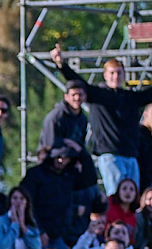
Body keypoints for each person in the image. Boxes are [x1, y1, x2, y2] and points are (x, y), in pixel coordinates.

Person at [51, 44, 152, 195]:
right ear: (105, 75)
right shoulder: (98, 95)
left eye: (119, 73)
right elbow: (78, 83)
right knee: (116, 197)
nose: (115, 77)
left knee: (132, 201)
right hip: (110, 155)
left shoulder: (131, 98)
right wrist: (61, 64)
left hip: (131, 156)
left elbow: (148, 94)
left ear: (124, 75)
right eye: (112, 73)